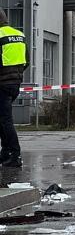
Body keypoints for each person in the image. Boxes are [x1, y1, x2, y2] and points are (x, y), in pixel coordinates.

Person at [0, 9, 28, 167]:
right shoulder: (19, 35)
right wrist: (16, 75)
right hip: (15, 83)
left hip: (2, 84)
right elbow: (27, 61)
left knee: (5, 121)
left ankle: (15, 154)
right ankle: (5, 153)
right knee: (2, 119)